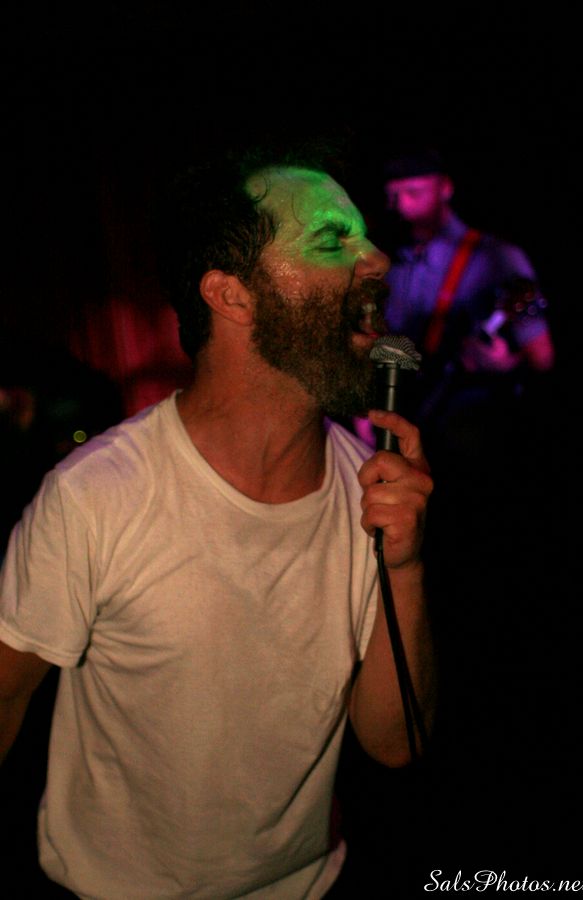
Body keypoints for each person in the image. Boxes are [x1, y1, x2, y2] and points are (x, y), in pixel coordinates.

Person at [0, 142, 435, 899]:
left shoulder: (369, 489)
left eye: (364, 235)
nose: (377, 259)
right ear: (231, 296)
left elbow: (396, 746)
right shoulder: (96, 496)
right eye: (333, 239)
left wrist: (406, 568)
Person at [354, 148, 555, 458]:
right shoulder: (389, 258)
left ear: (445, 188)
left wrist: (504, 364)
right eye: (392, 196)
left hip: (470, 433)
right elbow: (377, 339)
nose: (402, 206)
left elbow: (542, 358)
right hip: (402, 414)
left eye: (413, 193)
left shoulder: (497, 257)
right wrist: (365, 406)